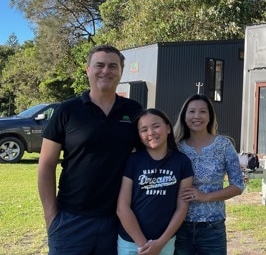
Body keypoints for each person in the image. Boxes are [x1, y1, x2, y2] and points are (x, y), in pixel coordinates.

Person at [37, 44, 143, 255]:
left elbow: (149, 157)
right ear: (88, 70)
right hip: (71, 220)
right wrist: (51, 217)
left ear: (121, 72)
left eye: (113, 66)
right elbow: (46, 165)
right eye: (99, 65)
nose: (106, 71)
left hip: (118, 219)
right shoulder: (67, 110)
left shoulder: (133, 111)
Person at [173, 94, 245, 255]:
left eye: (203, 112)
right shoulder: (176, 148)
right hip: (179, 225)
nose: (197, 116)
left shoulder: (224, 145)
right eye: (191, 111)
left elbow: (238, 185)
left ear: (210, 116)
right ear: (184, 116)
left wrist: (204, 196)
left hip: (212, 226)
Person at [117, 108, 193, 255]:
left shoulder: (182, 162)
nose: (151, 132)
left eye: (156, 126)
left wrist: (161, 242)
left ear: (168, 128)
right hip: (131, 243)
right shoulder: (133, 161)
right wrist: (143, 245)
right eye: (144, 129)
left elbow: (182, 207)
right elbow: (122, 207)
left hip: (164, 242)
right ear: (139, 136)